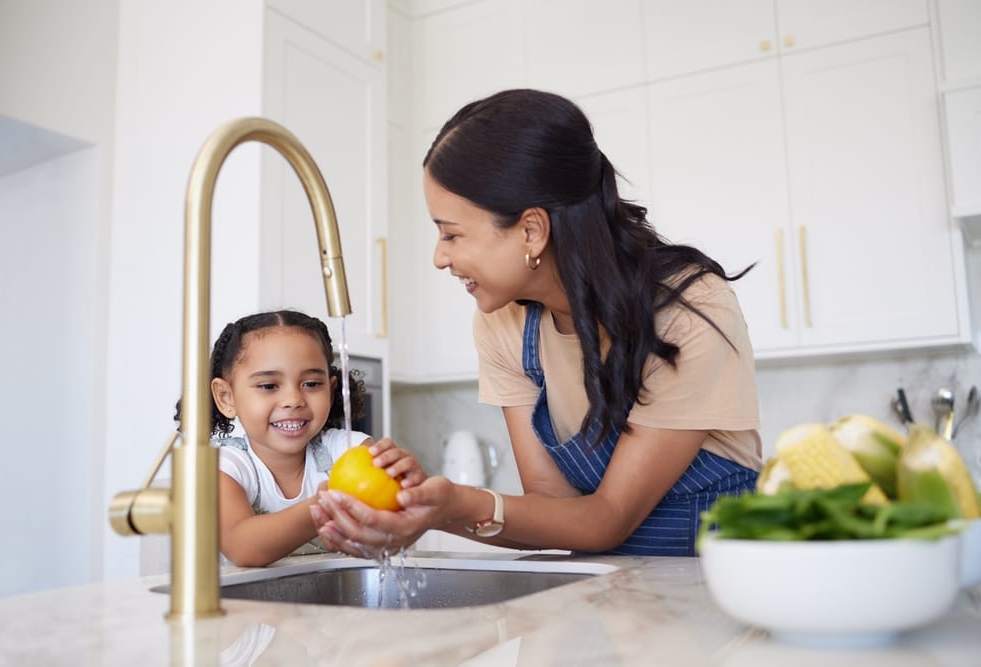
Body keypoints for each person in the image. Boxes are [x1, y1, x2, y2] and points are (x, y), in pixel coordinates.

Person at [311, 89, 762, 557]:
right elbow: (554, 511)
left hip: (710, 594)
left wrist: (454, 505)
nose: (439, 257)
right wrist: (428, 507)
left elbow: (605, 520)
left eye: (451, 234)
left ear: (531, 230)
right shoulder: (502, 323)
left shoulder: (688, 309)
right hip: (603, 594)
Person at [174, 309, 424, 566]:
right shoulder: (225, 466)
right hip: (249, 605)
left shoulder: (347, 449)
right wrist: (327, 504)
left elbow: (394, 515)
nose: (293, 400)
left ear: (331, 388)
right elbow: (242, 547)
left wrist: (405, 482)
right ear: (226, 397)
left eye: (312, 384)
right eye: (269, 386)